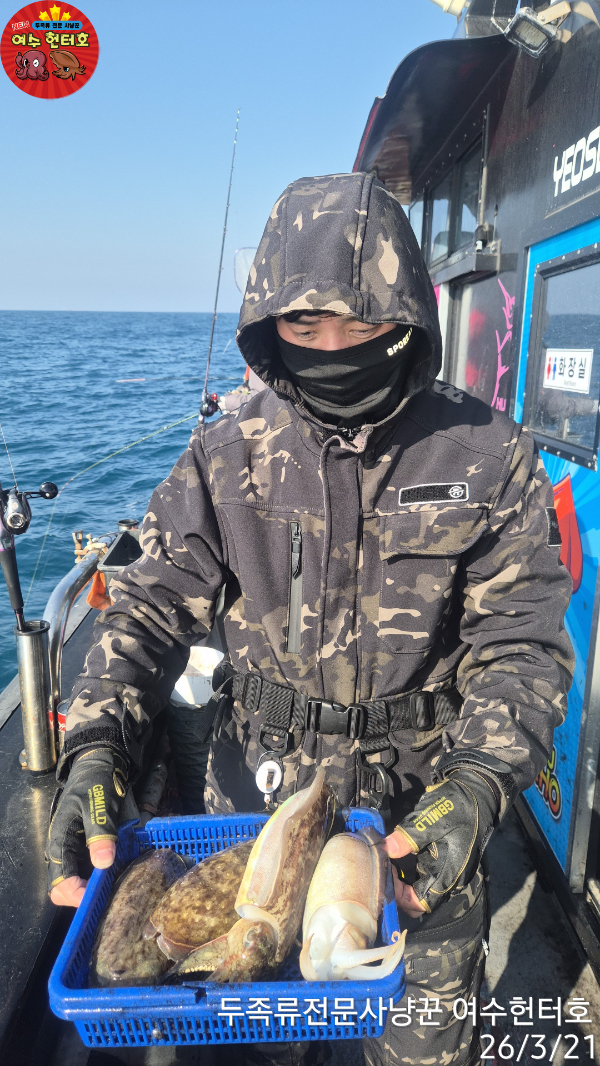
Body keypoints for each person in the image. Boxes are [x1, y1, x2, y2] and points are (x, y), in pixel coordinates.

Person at [47, 172, 574, 1066]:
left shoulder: (491, 457)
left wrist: (481, 781)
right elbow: (142, 612)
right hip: (253, 827)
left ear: (408, 314)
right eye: (304, 324)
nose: (334, 347)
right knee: (252, 1041)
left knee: (425, 1043)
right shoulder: (223, 455)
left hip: (418, 825)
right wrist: (95, 750)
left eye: (362, 324)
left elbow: (522, 641)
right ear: (268, 322)